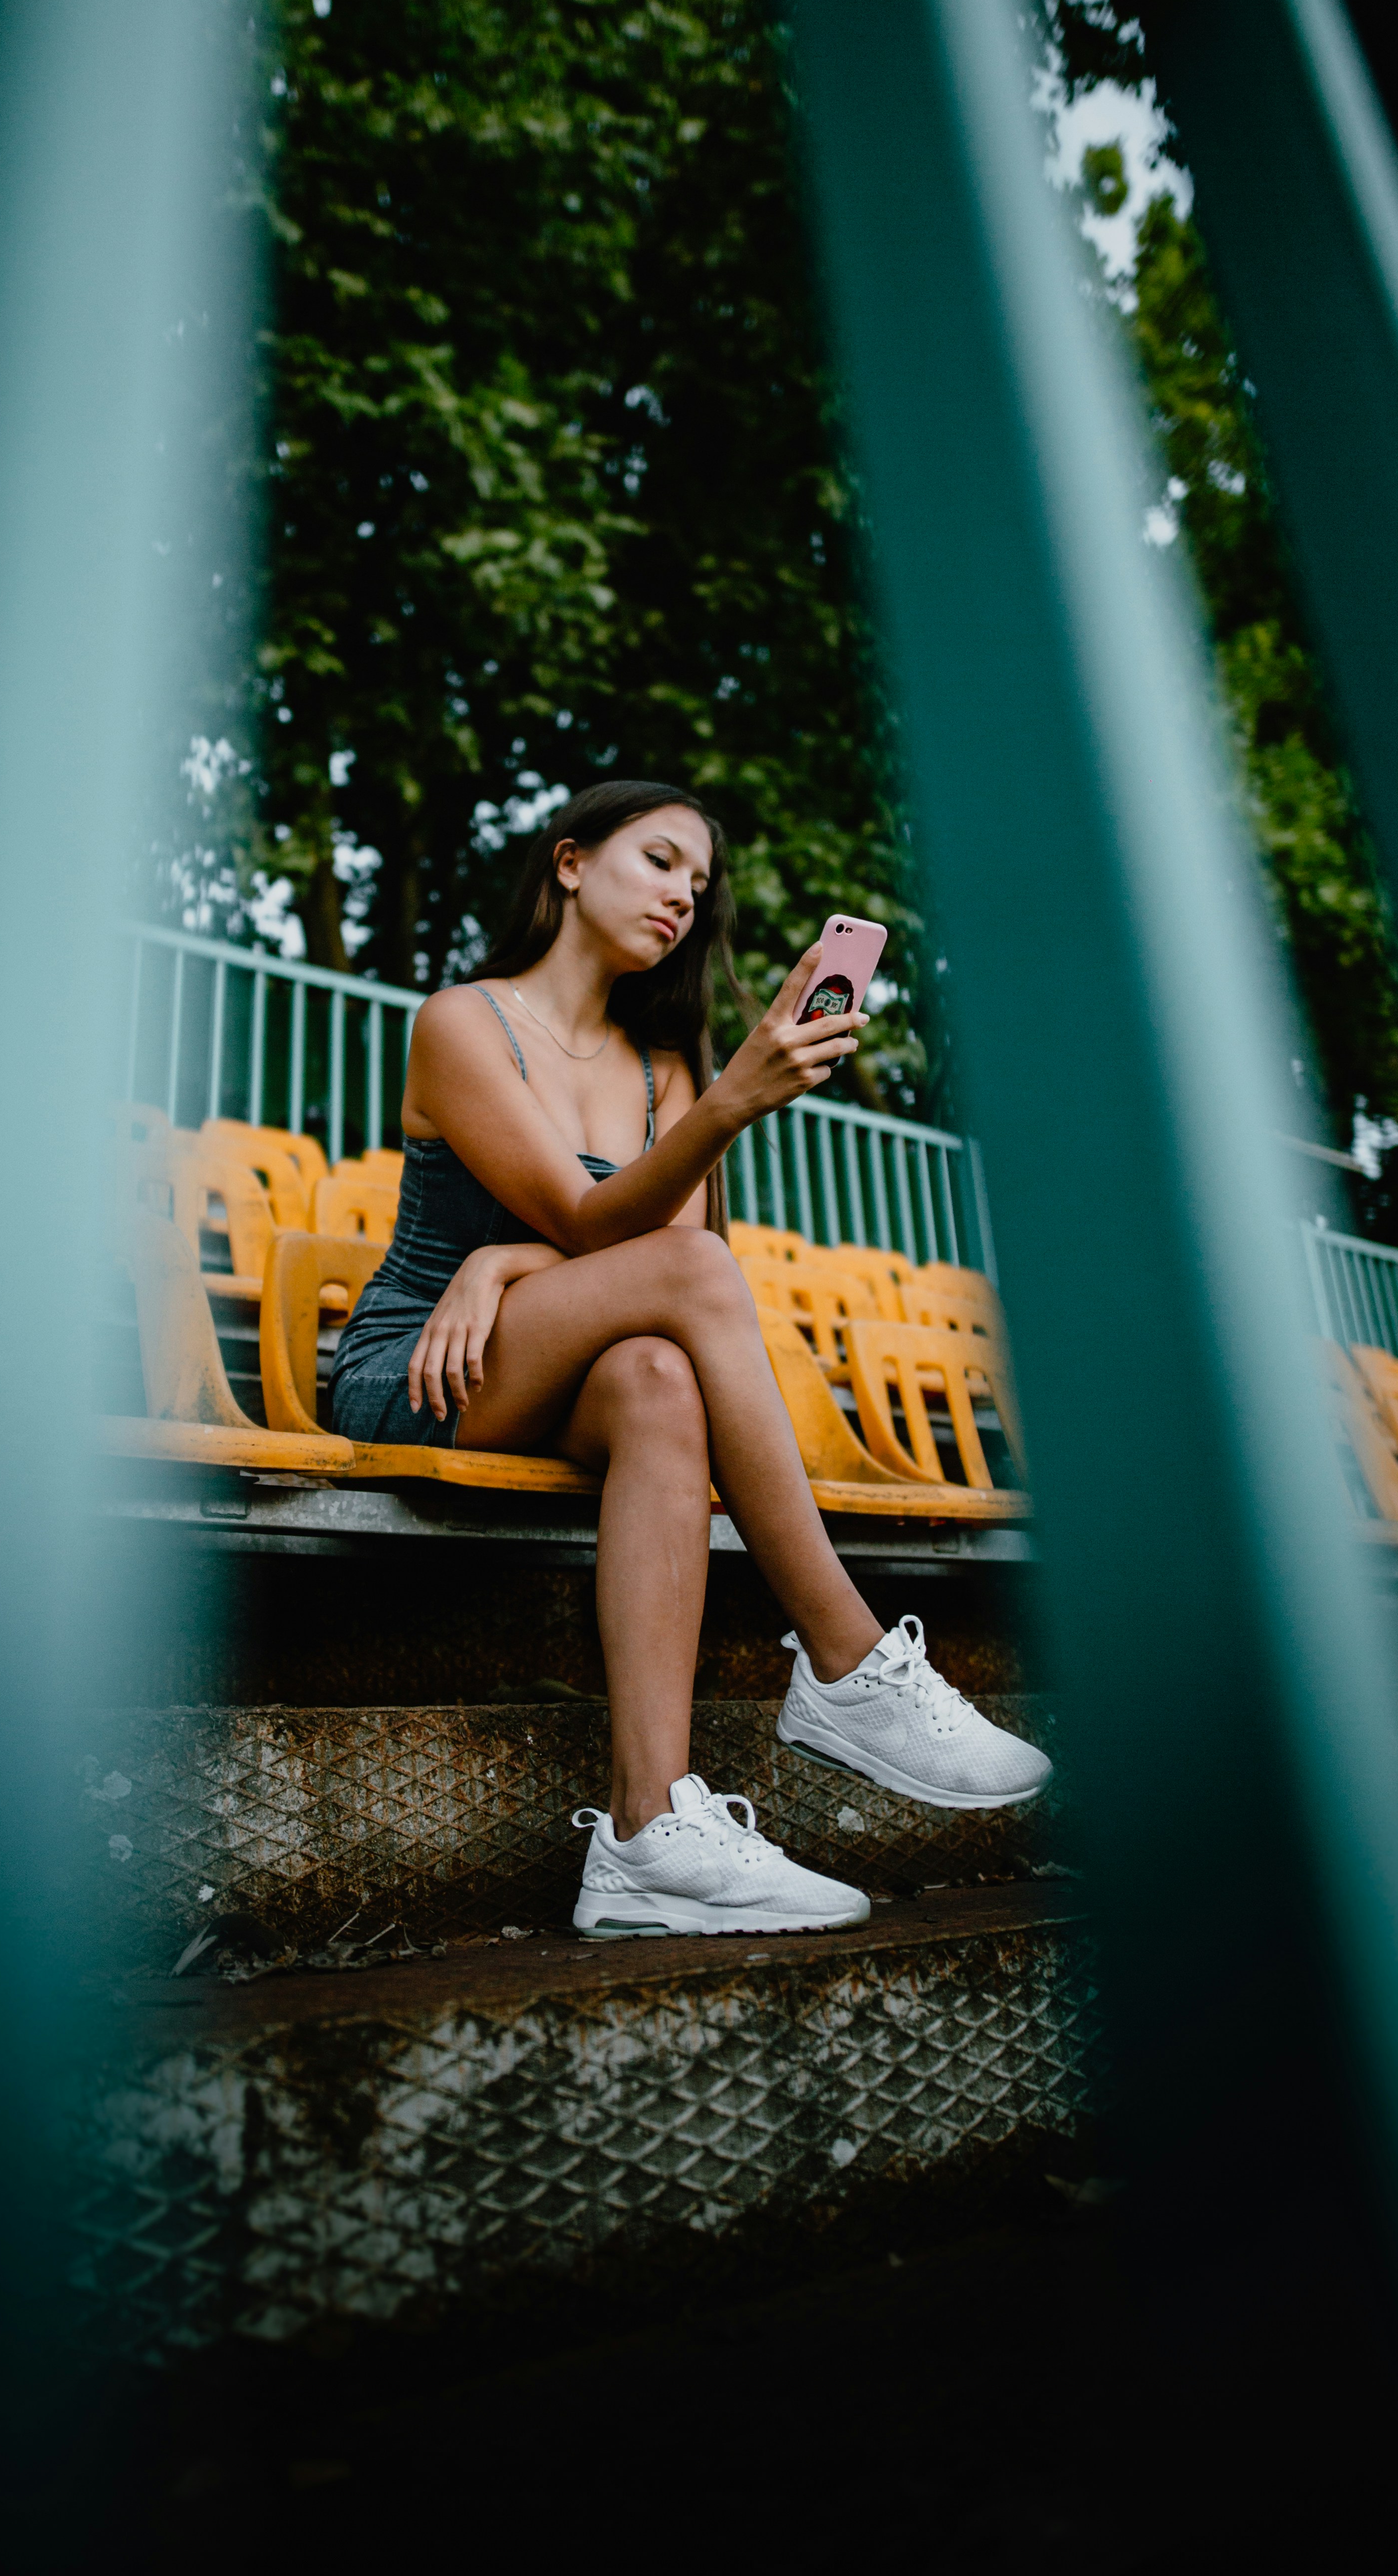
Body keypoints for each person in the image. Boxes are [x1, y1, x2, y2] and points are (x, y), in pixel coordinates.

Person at [330, 779, 1050, 1937]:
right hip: (419, 1364)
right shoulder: (465, 1021)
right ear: (569, 863)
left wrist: (508, 1263)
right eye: (660, 860)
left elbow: (642, 1270)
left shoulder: (667, 1071)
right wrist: (727, 1112)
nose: (682, 896)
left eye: (698, 885)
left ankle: (647, 1835)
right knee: (701, 1281)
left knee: (663, 1380)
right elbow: (593, 1220)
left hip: (552, 1357)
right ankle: (846, 1657)